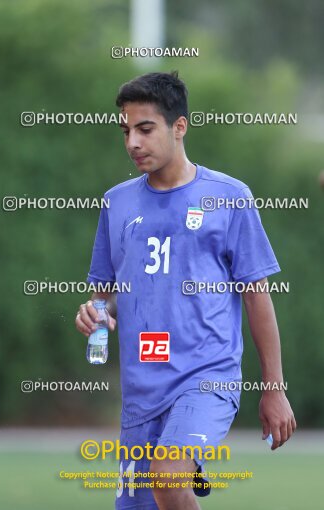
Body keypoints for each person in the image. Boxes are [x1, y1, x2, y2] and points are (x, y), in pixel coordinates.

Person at [75, 71, 296, 510]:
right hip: (141, 390)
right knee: (158, 495)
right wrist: (95, 314)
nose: (133, 143)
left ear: (179, 127)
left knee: (168, 472)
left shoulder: (229, 197)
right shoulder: (116, 202)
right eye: (126, 131)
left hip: (206, 378)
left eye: (145, 129)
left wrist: (273, 387)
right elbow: (106, 291)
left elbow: (257, 296)